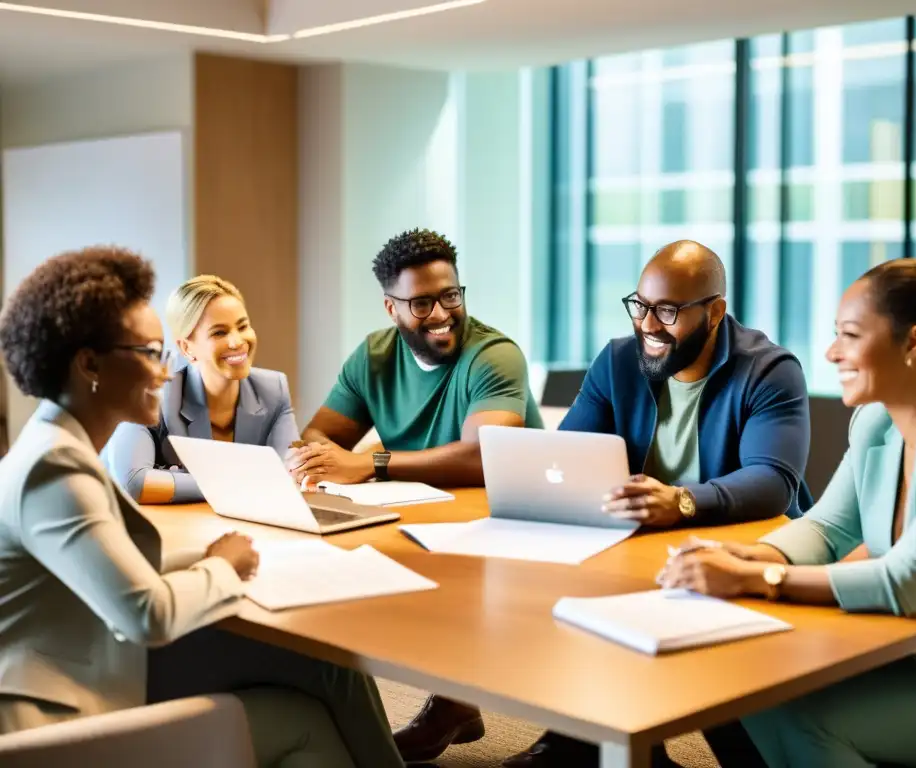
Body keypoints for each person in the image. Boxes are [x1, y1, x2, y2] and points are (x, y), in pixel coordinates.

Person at [0, 246, 403, 768]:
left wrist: (201, 559)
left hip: (96, 654)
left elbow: (107, 563)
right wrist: (222, 565)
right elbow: (148, 614)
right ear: (89, 365)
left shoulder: (56, 444)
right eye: (148, 353)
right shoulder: (55, 470)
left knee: (325, 670)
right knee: (317, 698)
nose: (165, 371)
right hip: (64, 710)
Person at [660, 259, 916, 768]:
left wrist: (752, 577)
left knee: (807, 715)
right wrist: (739, 553)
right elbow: (828, 527)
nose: (831, 353)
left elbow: (903, 582)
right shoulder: (877, 422)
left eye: (850, 336)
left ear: (914, 342)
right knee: (746, 689)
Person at [504, 240, 813, 768]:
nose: (648, 324)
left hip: (740, 544)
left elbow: (773, 481)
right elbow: (569, 452)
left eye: (668, 311)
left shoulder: (769, 370)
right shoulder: (619, 360)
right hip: (646, 539)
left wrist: (685, 502)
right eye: (640, 305)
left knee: (709, 668)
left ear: (715, 311)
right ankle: (588, 738)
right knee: (568, 591)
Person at [288, 228, 544, 763]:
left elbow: (483, 454)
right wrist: (324, 461)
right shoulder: (374, 357)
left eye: (451, 295)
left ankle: (452, 704)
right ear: (391, 307)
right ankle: (450, 705)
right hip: (421, 512)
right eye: (422, 302)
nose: (443, 312)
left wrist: (372, 461)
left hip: (512, 514)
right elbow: (319, 438)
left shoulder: (493, 355)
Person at [103, 275, 299, 503]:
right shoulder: (146, 395)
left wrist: (177, 479)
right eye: (219, 332)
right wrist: (246, 480)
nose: (237, 341)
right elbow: (136, 483)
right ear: (187, 348)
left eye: (242, 326)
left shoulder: (273, 389)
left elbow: (289, 472)